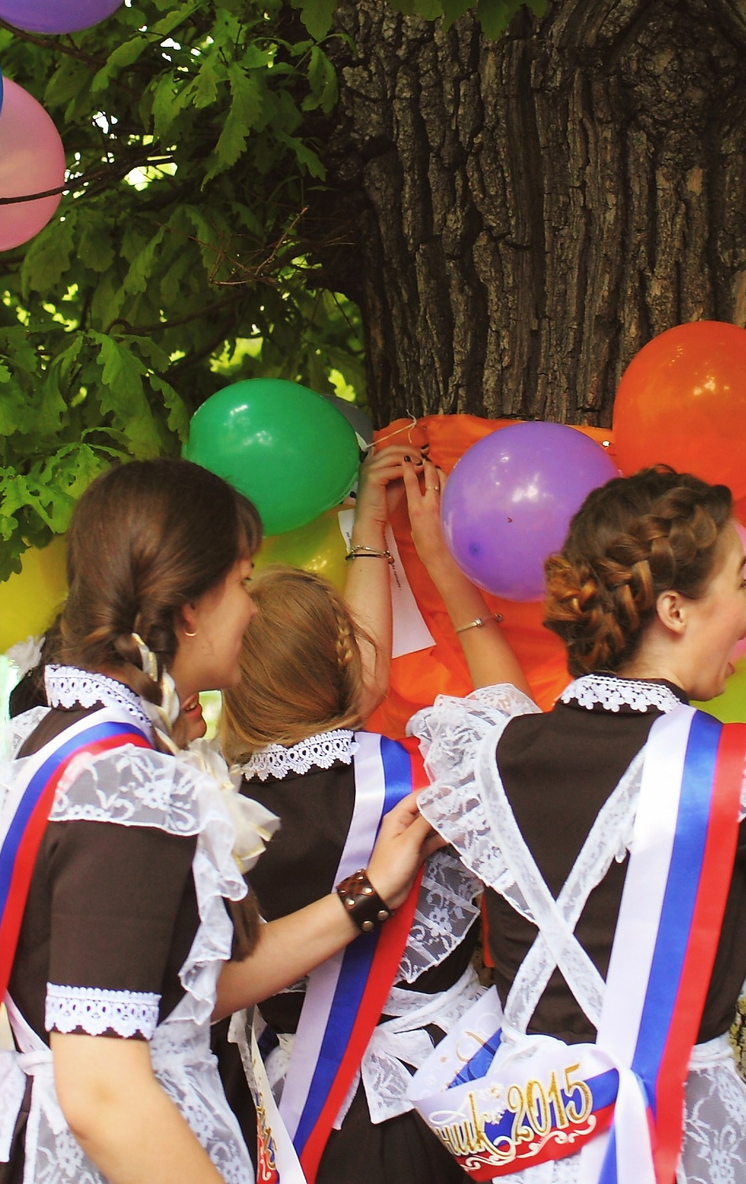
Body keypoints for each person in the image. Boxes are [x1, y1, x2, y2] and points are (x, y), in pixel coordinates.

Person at [406, 468, 746, 1184]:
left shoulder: (498, 751)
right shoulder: (733, 771)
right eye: (741, 581)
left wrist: (442, 565)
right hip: (665, 1136)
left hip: (527, 1138)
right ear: (675, 609)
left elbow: (504, 696)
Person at [0, 458, 436, 1184]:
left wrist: (367, 892)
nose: (251, 608)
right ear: (188, 609)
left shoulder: (64, 735)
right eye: (242, 582)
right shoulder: (126, 781)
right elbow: (104, 1092)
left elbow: (182, 991)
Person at [220, 444, 528, 1184]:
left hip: (280, 1116)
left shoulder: (215, 803)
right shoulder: (420, 776)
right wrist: (448, 572)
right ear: (340, 651)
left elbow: (346, 686)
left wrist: (371, 528)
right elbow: (516, 725)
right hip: (434, 1109)